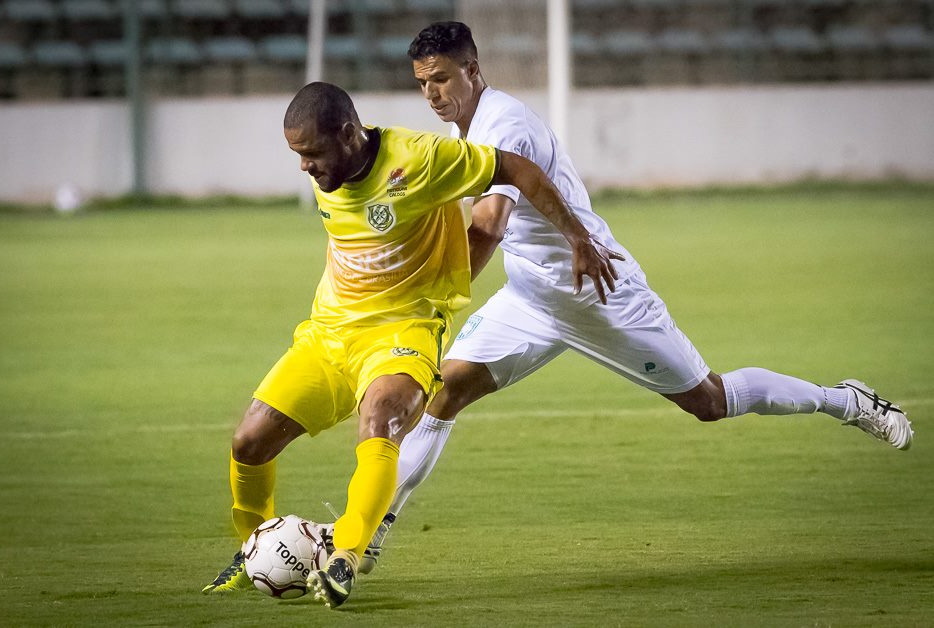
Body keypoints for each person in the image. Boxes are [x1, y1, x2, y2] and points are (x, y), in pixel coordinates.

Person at [350, 21, 914, 575]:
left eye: (442, 79)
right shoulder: (463, 127)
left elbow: (490, 226)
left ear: (473, 70)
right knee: (442, 393)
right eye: (423, 82)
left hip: (597, 291)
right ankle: (371, 533)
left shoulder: (504, 126)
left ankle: (846, 401)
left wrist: (433, 298)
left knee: (709, 401)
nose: (432, 94)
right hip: (531, 296)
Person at [201, 81, 622, 608]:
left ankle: (346, 557)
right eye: (297, 155)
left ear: (349, 134)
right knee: (249, 442)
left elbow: (518, 170)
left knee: (380, 420)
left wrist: (579, 237)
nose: (304, 167)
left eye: (311, 153)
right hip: (330, 333)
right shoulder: (328, 171)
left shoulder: (421, 159)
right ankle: (254, 551)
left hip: (403, 330)